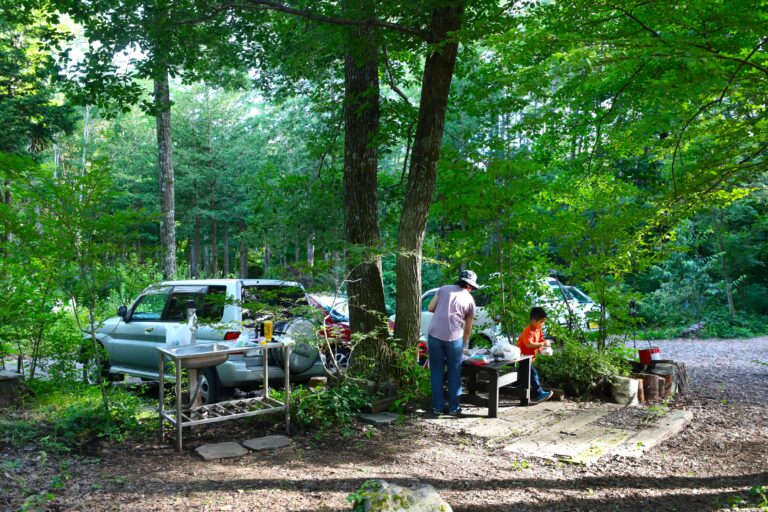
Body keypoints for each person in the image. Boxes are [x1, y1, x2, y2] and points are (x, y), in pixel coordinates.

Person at [426, 269, 478, 416]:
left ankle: (437, 408)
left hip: (434, 335)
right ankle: (454, 408)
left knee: (436, 372)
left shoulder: (443, 289)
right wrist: (463, 344)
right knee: (454, 373)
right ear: (470, 286)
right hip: (454, 338)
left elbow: (430, 308)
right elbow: (468, 329)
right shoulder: (470, 301)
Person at [517, 307, 554, 404]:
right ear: (534, 321)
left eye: (544, 322)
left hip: (531, 358)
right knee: (534, 375)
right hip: (523, 357)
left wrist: (544, 347)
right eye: (541, 322)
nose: (543, 324)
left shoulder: (538, 330)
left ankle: (515, 391)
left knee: (523, 378)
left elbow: (541, 341)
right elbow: (529, 344)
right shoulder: (528, 331)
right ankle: (539, 393)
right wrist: (542, 344)